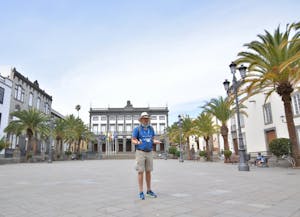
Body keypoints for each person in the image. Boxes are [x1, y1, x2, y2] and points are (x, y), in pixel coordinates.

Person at [132, 112, 161, 200]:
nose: (146, 120)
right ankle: (141, 192)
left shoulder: (151, 129)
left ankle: (148, 190)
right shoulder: (137, 129)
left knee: (148, 171)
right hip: (140, 152)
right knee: (140, 171)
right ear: (141, 120)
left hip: (149, 152)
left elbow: (152, 139)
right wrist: (136, 142)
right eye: (144, 119)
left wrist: (155, 141)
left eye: (147, 119)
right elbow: (133, 139)